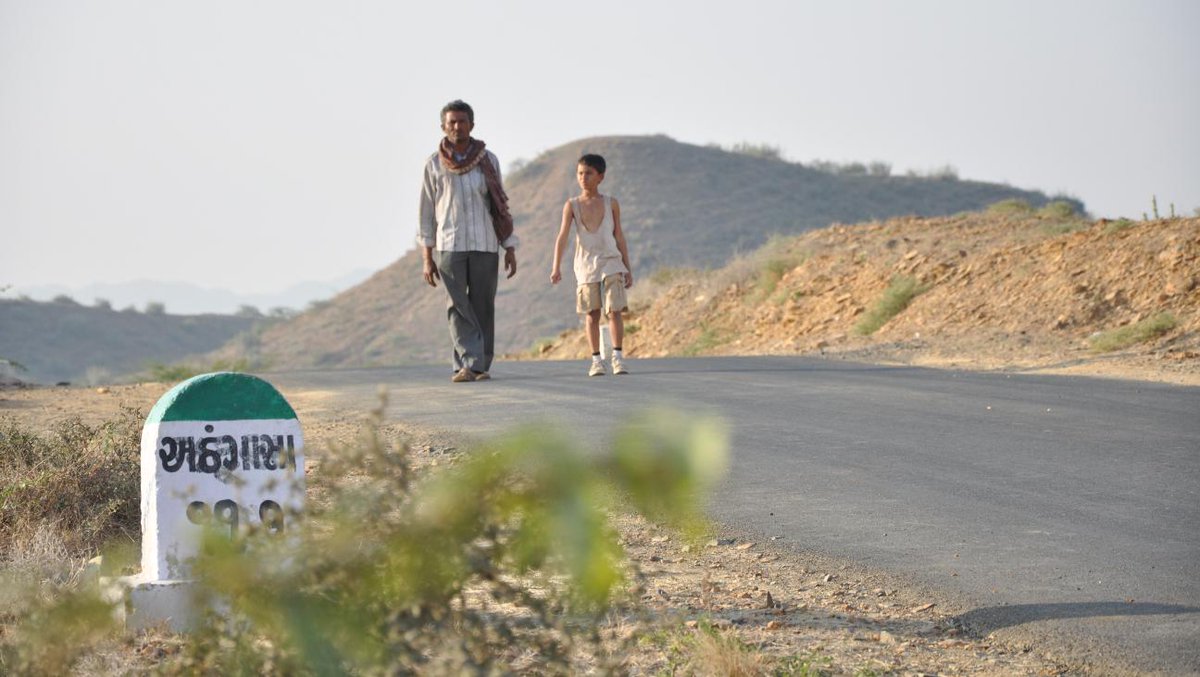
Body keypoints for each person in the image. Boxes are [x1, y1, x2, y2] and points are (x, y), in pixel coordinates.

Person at [418, 100, 518, 383]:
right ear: (443, 126)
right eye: (452, 122)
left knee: (483, 304)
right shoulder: (433, 164)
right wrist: (427, 257)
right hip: (449, 244)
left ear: (471, 125)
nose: (457, 127)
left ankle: (479, 365)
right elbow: (426, 212)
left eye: (462, 121)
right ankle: (469, 362)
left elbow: (499, 206)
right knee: (457, 304)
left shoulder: (488, 160)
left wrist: (509, 246)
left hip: (485, 243)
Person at [550, 153, 634, 376]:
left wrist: (627, 268)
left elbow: (619, 236)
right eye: (580, 173)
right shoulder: (572, 205)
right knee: (592, 313)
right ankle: (596, 360)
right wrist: (556, 266)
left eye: (588, 173)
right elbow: (562, 236)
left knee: (614, 310)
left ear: (600, 177)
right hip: (586, 265)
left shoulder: (611, 203)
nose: (583, 178)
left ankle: (617, 358)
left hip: (611, 261)